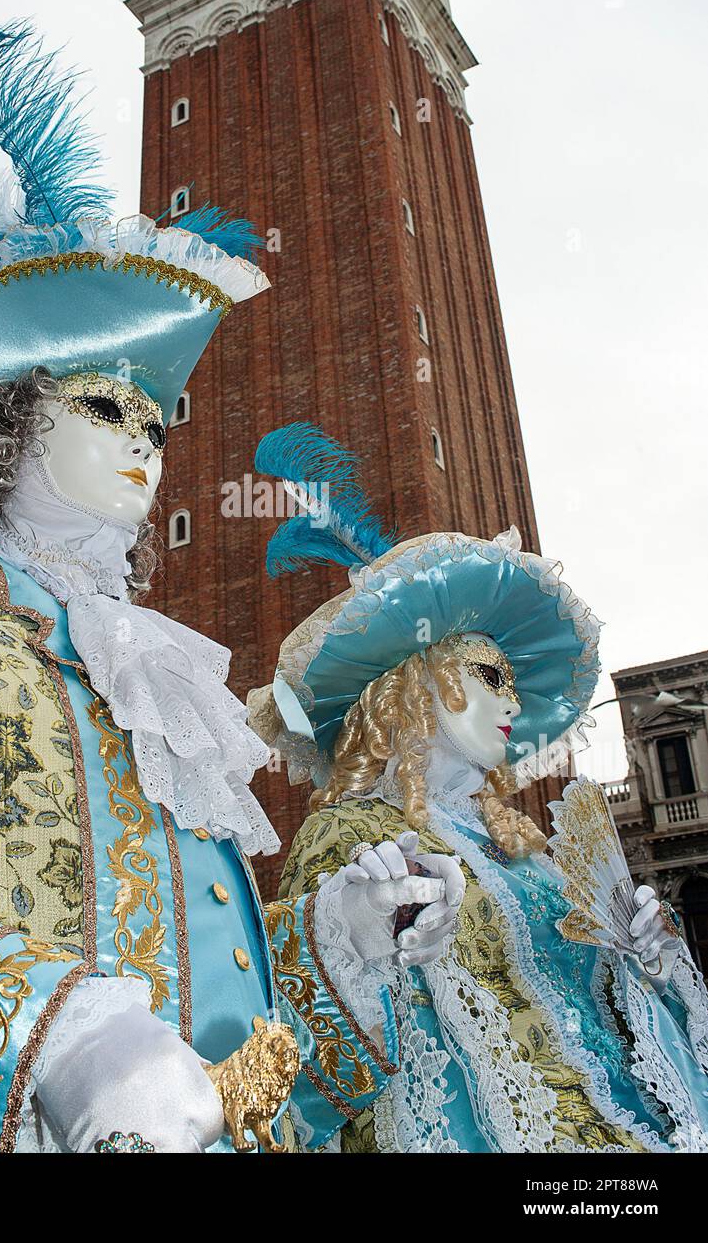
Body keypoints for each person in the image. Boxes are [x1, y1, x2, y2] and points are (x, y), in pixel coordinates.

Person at [0, 25, 442, 1154]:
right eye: (103, 409)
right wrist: (46, 1032)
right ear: (2, 425)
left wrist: (343, 942)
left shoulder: (163, 679)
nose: (148, 444)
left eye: (157, 420)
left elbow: (238, 1083)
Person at [248, 422, 708, 1152]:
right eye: (489, 676)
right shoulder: (351, 833)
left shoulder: (519, 850)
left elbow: (599, 1021)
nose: (513, 705)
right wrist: (362, 928)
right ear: (411, 689)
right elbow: (294, 1030)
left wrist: (646, 961)